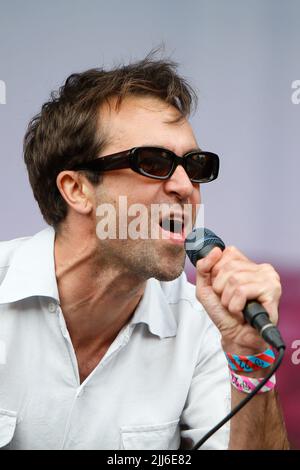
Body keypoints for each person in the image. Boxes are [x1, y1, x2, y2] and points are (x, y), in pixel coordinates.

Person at [0, 52, 289, 450]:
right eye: (154, 162)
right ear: (77, 189)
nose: (186, 186)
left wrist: (250, 360)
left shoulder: (208, 325)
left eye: (196, 165)